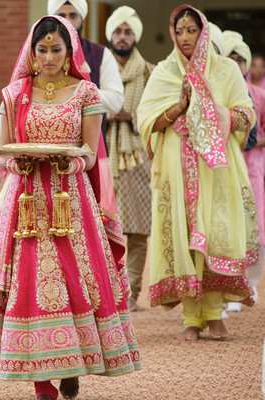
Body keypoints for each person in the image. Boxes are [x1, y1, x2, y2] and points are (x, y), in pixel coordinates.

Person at [0, 16, 140, 400]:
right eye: (42, 50)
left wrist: (68, 163)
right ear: (32, 54)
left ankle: (73, 361)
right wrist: (12, 163)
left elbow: (89, 153)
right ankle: (43, 385)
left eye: (57, 49)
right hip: (26, 202)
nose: (50, 57)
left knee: (73, 282)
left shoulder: (86, 93)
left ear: (70, 52)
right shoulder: (15, 94)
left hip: (70, 201)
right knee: (30, 285)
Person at [136, 6, 257, 341]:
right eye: (180, 31)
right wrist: (177, 108)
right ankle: (191, 317)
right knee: (183, 234)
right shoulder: (164, 72)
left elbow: (246, 115)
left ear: (204, 32)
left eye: (191, 30)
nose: (185, 37)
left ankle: (214, 314)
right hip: (178, 166)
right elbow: (145, 120)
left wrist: (212, 111)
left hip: (215, 169)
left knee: (217, 233)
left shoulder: (226, 70)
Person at [104, 6, 153, 312]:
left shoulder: (149, 71)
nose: (122, 37)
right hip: (104, 153)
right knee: (103, 229)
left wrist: (130, 115)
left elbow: (156, 113)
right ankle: (108, 293)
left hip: (137, 158)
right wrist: (110, 112)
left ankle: (133, 293)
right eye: (118, 31)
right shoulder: (99, 70)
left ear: (136, 36)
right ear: (110, 34)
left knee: (136, 230)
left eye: (128, 31)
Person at [224, 30, 265, 307]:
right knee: (227, 225)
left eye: (242, 59)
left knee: (255, 226)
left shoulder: (258, 95)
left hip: (253, 168)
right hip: (225, 167)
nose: (237, 64)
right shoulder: (220, 94)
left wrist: (248, 140)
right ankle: (229, 286)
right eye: (232, 58)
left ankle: (250, 283)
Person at [47, 0, 124, 144]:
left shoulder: (100, 54)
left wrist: (77, 90)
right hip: (50, 145)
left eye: (73, 15)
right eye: (62, 16)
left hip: (92, 149)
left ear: (82, 18)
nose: (68, 22)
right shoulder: (43, 55)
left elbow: (116, 101)